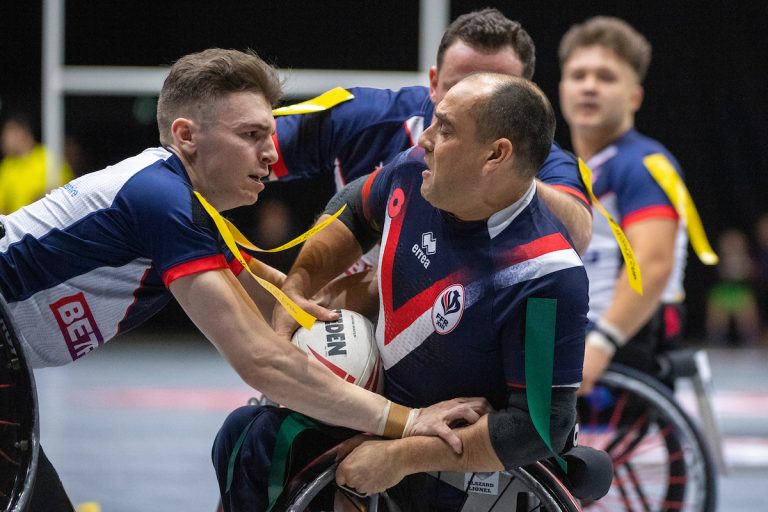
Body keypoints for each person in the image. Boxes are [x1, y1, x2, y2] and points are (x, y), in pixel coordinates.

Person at [0, 48, 483, 511]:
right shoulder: (160, 202)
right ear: (186, 136)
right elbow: (261, 360)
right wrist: (408, 421)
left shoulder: (175, 198)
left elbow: (277, 295)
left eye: (270, 134)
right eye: (251, 135)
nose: (271, 153)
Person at [212, 73, 589, 509]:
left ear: (495, 154)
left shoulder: (545, 273)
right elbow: (357, 208)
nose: (425, 138)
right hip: (388, 417)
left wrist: (402, 457)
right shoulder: (414, 172)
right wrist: (298, 286)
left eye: (445, 129)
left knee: (265, 443)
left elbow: (540, 427)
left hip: (462, 461)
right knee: (246, 435)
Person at [270, 8, 592, 256]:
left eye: (497, 96)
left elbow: (578, 235)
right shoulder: (367, 117)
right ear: (434, 83)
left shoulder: (539, 158)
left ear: (526, 100)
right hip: (348, 311)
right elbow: (246, 153)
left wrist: (510, 177)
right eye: (460, 87)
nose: (475, 107)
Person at [558, 16, 691, 391]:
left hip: (621, 341)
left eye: (606, 77)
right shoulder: (571, 168)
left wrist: (602, 342)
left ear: (634, 96)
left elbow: (654, 262)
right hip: (575, 330)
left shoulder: (644, 164)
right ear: (562, 87)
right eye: (578, 75)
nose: (589, 86)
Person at [0, 113, 74, 214]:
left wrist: (42, 199)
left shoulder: (48, 159)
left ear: (21, 134)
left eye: (7, 136)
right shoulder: (7, 165)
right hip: (18, 222)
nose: (3, 141)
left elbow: (67, 193)